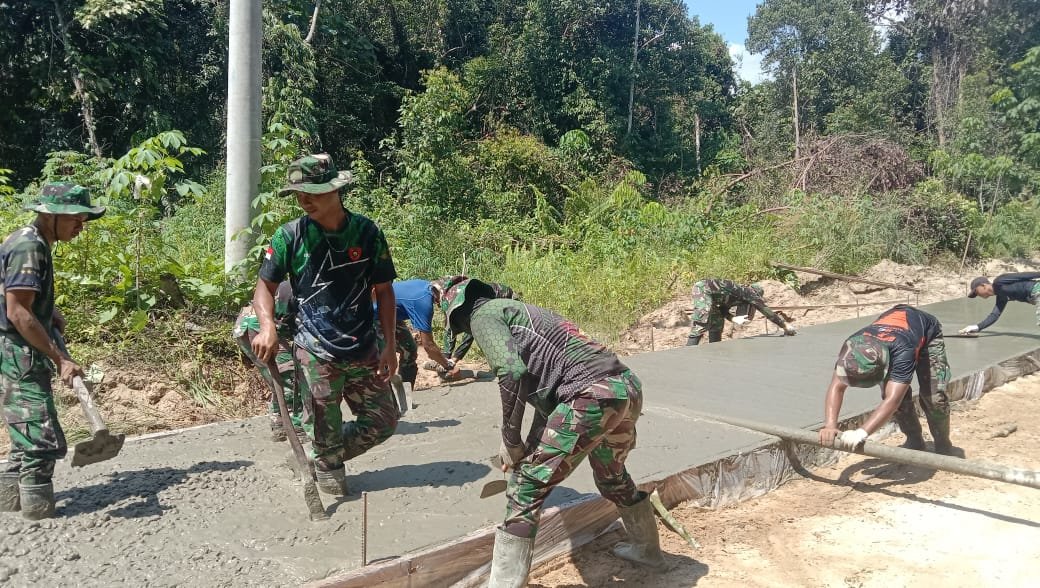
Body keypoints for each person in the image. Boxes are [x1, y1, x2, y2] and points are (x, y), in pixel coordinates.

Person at [440, 279, 666, 587]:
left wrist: (510, 439)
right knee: (611, 474)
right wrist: (529, 447)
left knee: (525, 489)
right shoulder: (523, 313)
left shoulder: (484, 315)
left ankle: (504, 584)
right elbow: (548, 403)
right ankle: (646, 549)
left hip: (589, 395)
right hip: (623, 388)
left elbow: (511, 372)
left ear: (457, 315)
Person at [251, 153, 399, 496]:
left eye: (313, 193)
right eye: (300, 195)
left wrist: (389, 345)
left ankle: (320, 455)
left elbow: (384, 291)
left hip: (363, 347)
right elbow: (264, 288)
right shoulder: (289, 237)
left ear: (336, 190)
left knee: (383, 422)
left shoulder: (366, 232)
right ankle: (327, 462)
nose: (305, 201)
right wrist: (268, 326)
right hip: (315, 352)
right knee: (329, 459)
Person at [0, 182, 105, 519]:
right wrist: (60, 359)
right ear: (52, 216)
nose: (81, 225)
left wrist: (47, 311)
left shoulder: (32, 240)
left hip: (19, 345)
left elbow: (18, 297)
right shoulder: (29, 246)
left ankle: (9, 505)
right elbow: (17, 312)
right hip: (17, 350)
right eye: (76, 218)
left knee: (26, 430)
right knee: (41, 438)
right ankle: (38, 516)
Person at [819, 305, 954, 455]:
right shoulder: (851, 348)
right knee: (899, 400)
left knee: (934, 397)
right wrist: (830, 425)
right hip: (894, 330)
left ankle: (943, 443)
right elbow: (836, 387)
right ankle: (914, 439)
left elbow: (892, 400)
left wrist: (862, 432)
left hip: (926, 333)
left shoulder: (903, 351)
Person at [232, 280, 304, 442]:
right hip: (257, 327)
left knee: (278, 379)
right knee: (289, 378)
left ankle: (280, 422)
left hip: (249, 325)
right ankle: (296, 428)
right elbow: (287, 325)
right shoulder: (294, 288)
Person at [431, 275, 517, 380]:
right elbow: (450, 330)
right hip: (489, 307)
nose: (436, 303)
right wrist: (445, 360)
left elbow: (471, 332)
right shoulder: (455, 300)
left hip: (507, 302)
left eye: (435, 299)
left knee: (509, 339)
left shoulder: (467, 301)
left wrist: (453, 360)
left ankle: (512, 371)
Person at [686, 278, 795, 345]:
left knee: (717, 321)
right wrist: (784, 325)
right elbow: (765, 310)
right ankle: (688, 351)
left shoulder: (737, 295)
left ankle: (715, 349)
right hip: (703, 288)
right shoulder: (748, 293)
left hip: (713, 297)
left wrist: (733, 318)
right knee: (702, 318)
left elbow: (722, 310)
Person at [959, 272, 1040, 335]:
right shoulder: (1001, 297)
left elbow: (1022, 276)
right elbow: (994, 315)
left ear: (983, 285)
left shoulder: (999, 281)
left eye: (976, 292)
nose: (977, 295)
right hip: (1034, 297)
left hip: (1036, 289)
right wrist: (977, 327)